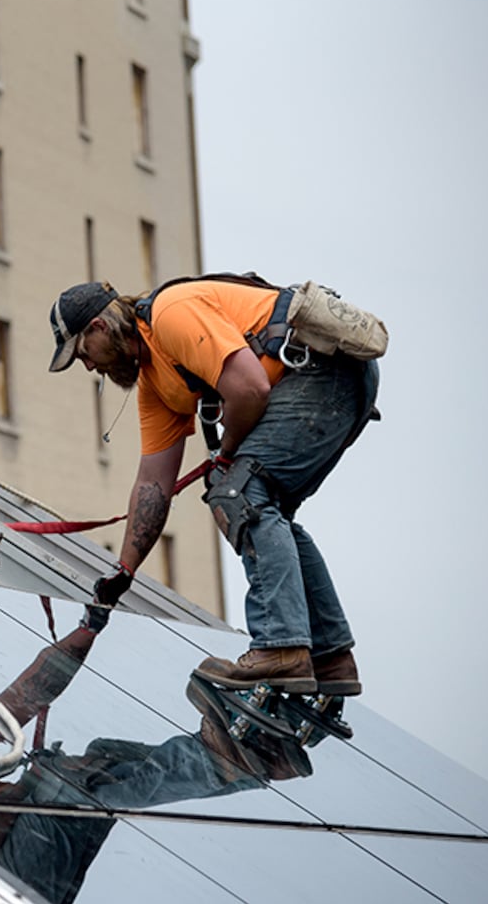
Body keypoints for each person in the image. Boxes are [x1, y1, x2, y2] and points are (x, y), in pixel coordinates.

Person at [0, 605, 302, 904]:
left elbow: (23, 698)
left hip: (19, 867)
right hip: (1, 887)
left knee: (102, 759)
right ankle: (238, 758)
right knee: (65, 786)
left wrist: (87, 627)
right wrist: (33, 782)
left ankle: (250, 756)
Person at [45, 279, 380, 695]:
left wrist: (226, 455)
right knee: (262, 507)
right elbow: (153, 484)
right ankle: (330, 658)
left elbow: (250, 388)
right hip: (333, 381)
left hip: (323, 371)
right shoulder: (156, 384)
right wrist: (124, 572)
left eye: (82, 353)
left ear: (98, 327)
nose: (89, 367)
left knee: (237, 490)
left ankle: (280, 646)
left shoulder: (170, 315)